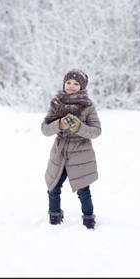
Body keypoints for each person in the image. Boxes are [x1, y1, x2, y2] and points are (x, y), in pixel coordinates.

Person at [41, 69, 101, 229]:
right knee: (53, 187)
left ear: (82, 87)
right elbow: (45, 129)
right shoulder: (56, 104)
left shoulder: (88, 106)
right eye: (69, 82)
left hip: (80, 155)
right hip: (60, 153)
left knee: (83, 191)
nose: (71, 86)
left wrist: (78, 127)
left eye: (76, 84)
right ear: (64, 83)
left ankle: (89, 220)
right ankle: (54, 218)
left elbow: (96, 131)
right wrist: (59, 124)